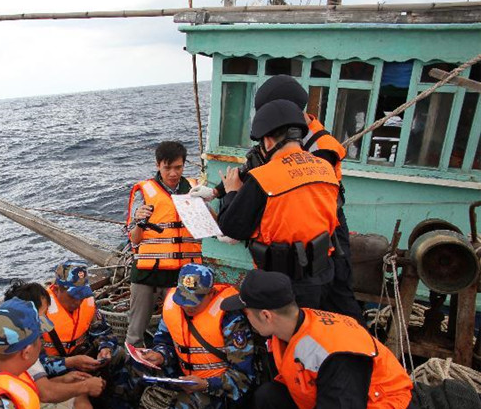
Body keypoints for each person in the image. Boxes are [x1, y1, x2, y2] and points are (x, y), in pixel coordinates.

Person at [223, 270, 432, 409]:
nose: (245, 318)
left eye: (246, 312)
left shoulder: (337, 356)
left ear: (266, 316)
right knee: (269, 396)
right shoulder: (293, 328)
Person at [193, 75, 363, 321]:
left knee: (334, 300)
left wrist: (234, 199)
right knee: (322, 309)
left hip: (306, 248)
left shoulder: (322, 147)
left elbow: (238, 220)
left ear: (269, 136)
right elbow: (253, 164)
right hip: (315, 255)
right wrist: (216, 191)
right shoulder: (304, 150)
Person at [105, 263, 255, 409]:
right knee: (135, 365)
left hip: (220, 388)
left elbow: (243, 378)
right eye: (183, 299)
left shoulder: (231, 320)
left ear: (211, 294)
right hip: (184, 374)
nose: (186, 306)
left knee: (181, 407)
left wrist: (206, 385)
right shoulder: (174, 306)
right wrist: (159, 355)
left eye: (194, 301)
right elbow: (164, 340)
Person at [215, 99, 340, 309]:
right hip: (322, 274)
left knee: (283, 337)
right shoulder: (325, 168)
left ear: (269, 141)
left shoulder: (263, 177)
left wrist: (232, 192)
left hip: (281, 283)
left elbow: (232, 227)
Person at [4, 280, 105, 409]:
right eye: (43, 313)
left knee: (74, 387)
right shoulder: (24, 346)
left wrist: (65, 378)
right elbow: (46, 393)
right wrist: (86, 386)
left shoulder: (6, 336)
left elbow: (31, 384)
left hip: (13, 406)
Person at [125, 140, 202, 346]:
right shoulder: (144, 191)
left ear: (184, 166)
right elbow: (134, 239)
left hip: (184, 273)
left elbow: (208, 227)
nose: (173, 173)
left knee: (182, 327)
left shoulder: (195, 189)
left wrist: (204, 207)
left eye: (178, 167)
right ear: (158, 165)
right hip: (147, 272)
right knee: (135, 331)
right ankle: (135, 366)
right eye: (167, 168)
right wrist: (139, 221)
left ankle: (177, 362)